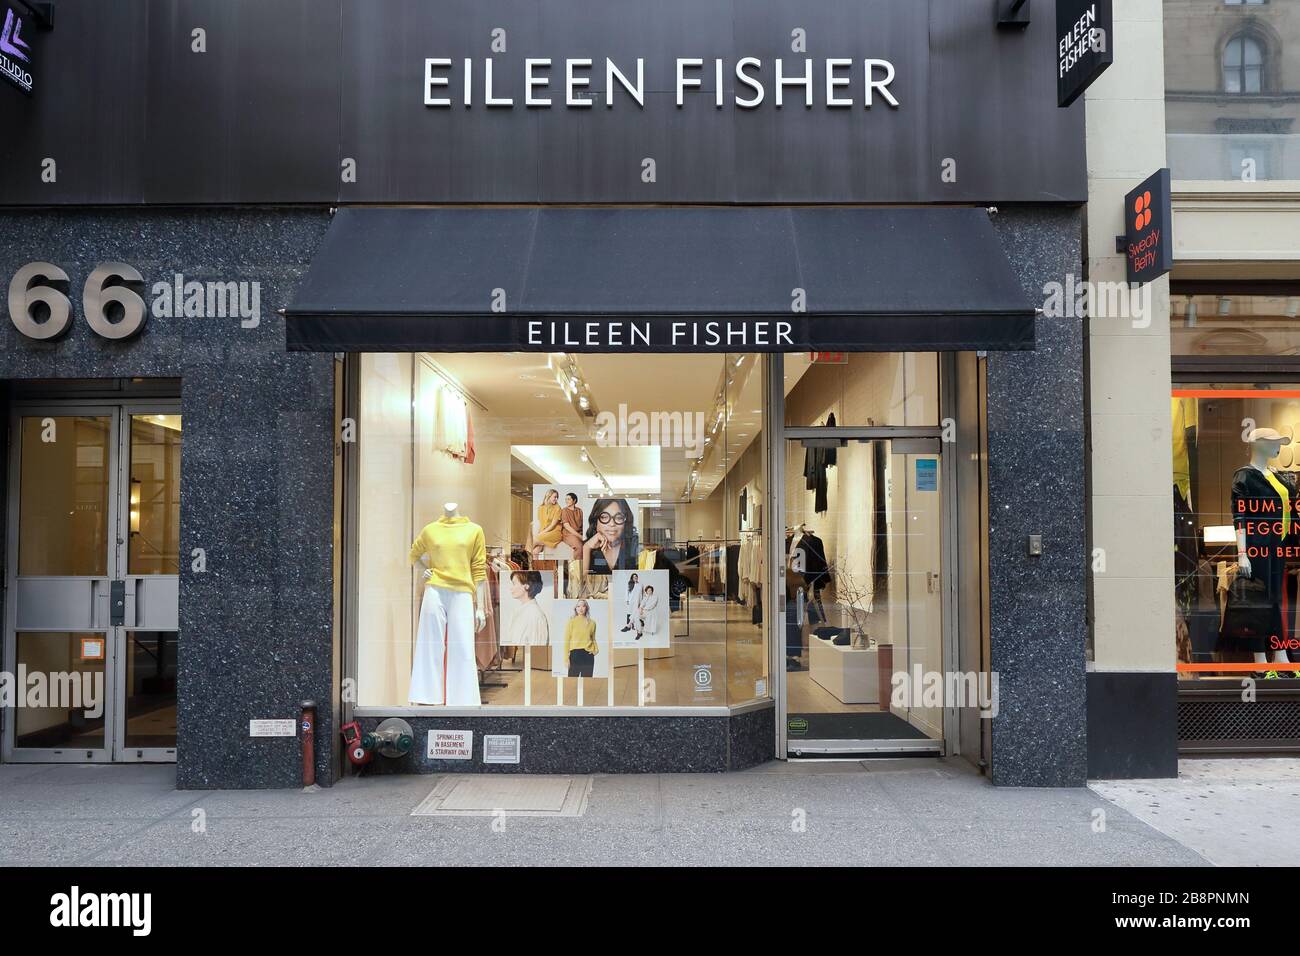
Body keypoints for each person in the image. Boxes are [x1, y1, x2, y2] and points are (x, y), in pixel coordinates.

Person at [583, 497, 640, 574]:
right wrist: (586, 548)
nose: (612, 524)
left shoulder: (636, 546)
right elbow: (579, 583)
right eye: (604, 517)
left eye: (619, 518)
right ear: (595, 521)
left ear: (625, 522)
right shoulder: (584, 546)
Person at [564, 599, 599, 677]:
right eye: (578, 606)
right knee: (572, 679)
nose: (581, 608)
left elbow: (593, 638)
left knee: (587, 680)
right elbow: (567, 641)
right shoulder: (571, 622)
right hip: (575, 655)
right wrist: (566, 659)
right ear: (575, 608)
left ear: (586, 608)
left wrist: (596, 650)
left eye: (583, 606)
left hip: (588, 655)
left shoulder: (592, 623)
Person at [533, 488, 564, 556]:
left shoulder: (558, 508)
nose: (556, 499)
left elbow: (553, 525)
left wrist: (541, 533)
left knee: (534, 540)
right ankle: (533, 566)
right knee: (535, 552)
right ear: (549, 496)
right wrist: (540, 532)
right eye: (555, 497)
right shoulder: (541, 508)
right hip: (544, 532)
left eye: (557, 497)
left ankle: (524, 559)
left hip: (555, 532)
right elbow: (542, 523)